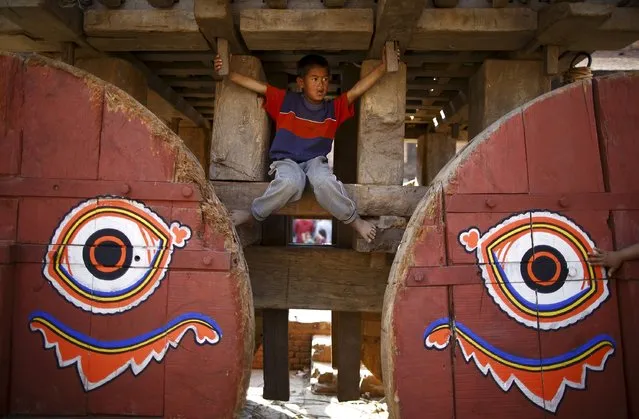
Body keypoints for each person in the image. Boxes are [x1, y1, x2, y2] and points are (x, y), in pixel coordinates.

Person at [213, 51, 396, 243]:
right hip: (286, 161)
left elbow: (357, 90)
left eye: (325, 79)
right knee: (291, 182)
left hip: (316, 162)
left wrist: (383, 66)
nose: (321, 84)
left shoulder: (333, 109)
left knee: (324, 181)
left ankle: (354, 221)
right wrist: (229, 73)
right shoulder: (286, 102)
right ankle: (253, 214)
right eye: (315, 79)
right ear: (301, 82)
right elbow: (258, 86)